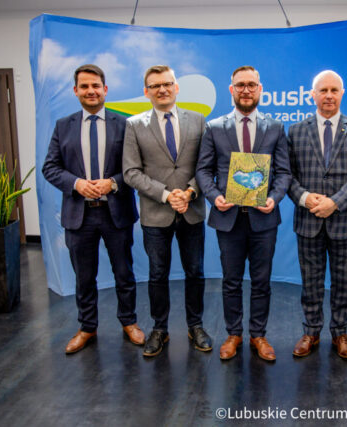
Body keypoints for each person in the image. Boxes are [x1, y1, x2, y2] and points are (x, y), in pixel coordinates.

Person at [42, 64, 142, 354]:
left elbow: (137, 168)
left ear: (105, 89)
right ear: (76, 91)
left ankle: (129, 322)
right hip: (79, 215)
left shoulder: (126, 125)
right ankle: (87, 327)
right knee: (84, 277)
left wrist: (113, 183)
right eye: (84, 86)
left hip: (116, 213)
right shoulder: (63, 126)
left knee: (124, 273)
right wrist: (76, 184)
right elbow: (50, 167)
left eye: (95, 86)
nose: (91, 91)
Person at [195, 66, 291, 362]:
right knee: (231, 280)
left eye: (251, 85)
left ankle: (258, 334)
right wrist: (214, 197)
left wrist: (274, 198)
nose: (246, 90)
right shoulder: (214, 127)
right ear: (231, 89)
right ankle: (233, 333)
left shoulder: (275, 127)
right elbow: (203, 170)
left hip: (264, 218)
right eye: (240, 85)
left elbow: (284, 173)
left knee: (261, 281)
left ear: (260, 89)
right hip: (229, 218)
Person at [123, 65, 211, 357]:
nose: (162, 89)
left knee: (195, 272)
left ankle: (195, 325)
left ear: (177, 87)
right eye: (155, 85)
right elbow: (131, 172)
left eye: (167, 84)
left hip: (191, 209)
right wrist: (165, 195)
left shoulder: (198, 120)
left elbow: (206, 166)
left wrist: (189, 192)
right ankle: (160, 328)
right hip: (155, 213)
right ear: (146, 92)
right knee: (157, 274)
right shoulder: (134, 125)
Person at [287, 70, 347, 360]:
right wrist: (304, 197)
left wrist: (335, 202)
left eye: (334, 90)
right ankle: (311, 331)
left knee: (344, 283)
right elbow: (286, 175)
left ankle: (340, 332)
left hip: (345, 221)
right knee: (310, 282)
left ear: (342, 93)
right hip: (309, 220)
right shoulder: (295, 131)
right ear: (312, 95)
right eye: (323, 90)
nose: (328, 95)